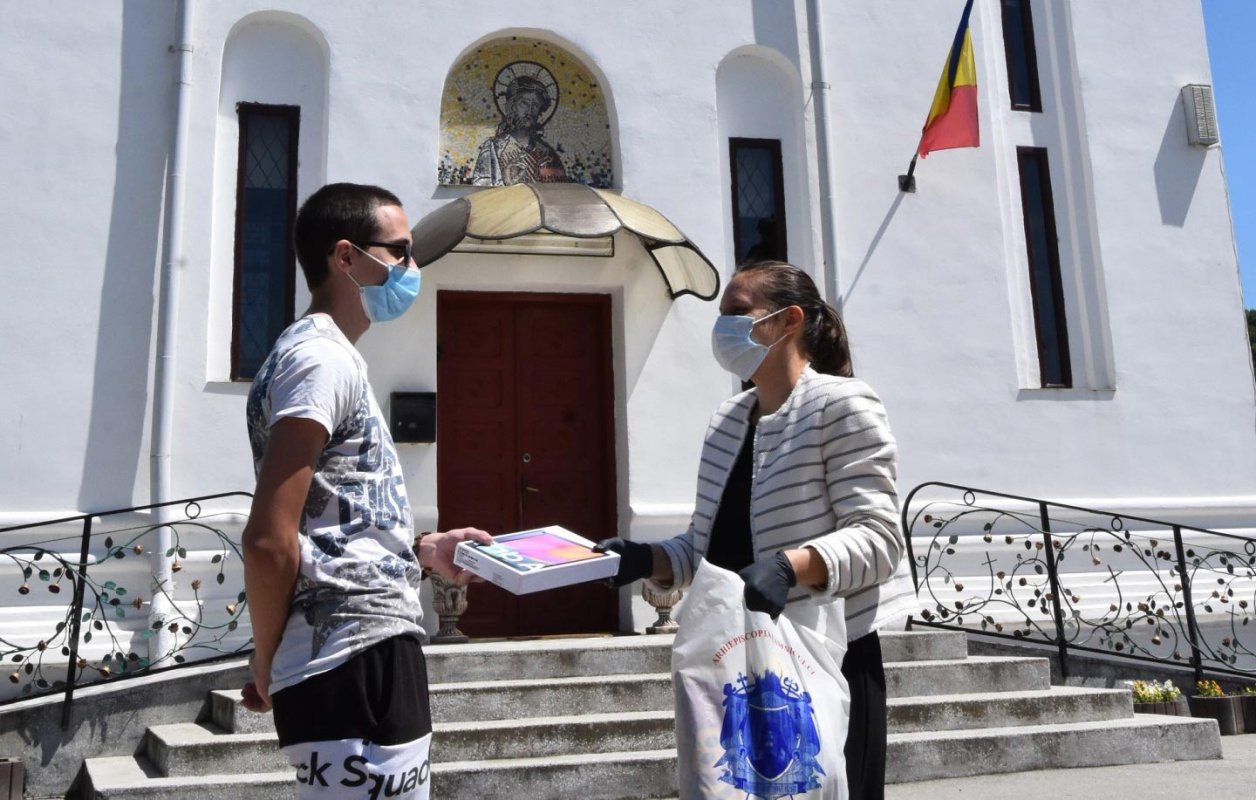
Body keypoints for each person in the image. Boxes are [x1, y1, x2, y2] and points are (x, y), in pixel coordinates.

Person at [598, 260, 915, 800]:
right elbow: (704, 550)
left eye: (737, 312)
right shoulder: (727, 420)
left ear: (789, 320)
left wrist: (791, 567)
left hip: (827, 654)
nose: (722, 327)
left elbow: (878, 538)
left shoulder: (841, 403)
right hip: (739, 657)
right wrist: (643, 558)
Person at [241, 182, 491, 799]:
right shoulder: (319, 360)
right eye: (399, 250)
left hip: (365, 645)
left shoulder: (331, 358)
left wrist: (422, 549)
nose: (411, 266)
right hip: (354, 651)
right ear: (346, 257)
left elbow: (333, 517)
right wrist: (267, 658)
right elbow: (269, 538)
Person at [471, 74, 568, 186]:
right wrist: (506, 181)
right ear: (511, 106)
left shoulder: (547, 153)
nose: (529, 111)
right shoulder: (493, 148)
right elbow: (481, 187)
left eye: (535, 105)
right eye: (524, 103)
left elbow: (559, 190)